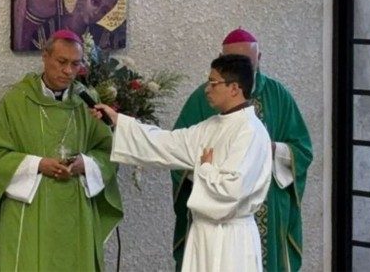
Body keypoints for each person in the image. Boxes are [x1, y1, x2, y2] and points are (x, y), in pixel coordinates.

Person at [96, 54, 272, 272]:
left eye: (213, 83)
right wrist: (117, 121)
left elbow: (232, 191)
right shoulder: (212, 126)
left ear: (234, 88)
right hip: (203, 234)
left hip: (231, 240)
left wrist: (205, 168)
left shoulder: (250, 132)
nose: (207, 89)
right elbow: (168, 144)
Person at [0, 29, 123, 271]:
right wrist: (37, 165)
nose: (68, 71)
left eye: (76, 64)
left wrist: (84, 165)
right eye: (62, 62)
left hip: (75, 205)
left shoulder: (88, 101)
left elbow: (107, 152)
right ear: (45, 57)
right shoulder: (16, 101)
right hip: (29, 206)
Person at [171, 28, 313, 271]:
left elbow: (302, 151)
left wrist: (271, 150)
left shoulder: (279, 96)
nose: (243, 67)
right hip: (218, 218)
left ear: (260, 58)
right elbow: (177, 151)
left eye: (248, 61)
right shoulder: (204, 97)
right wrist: (209, 173)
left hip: (268, 204)